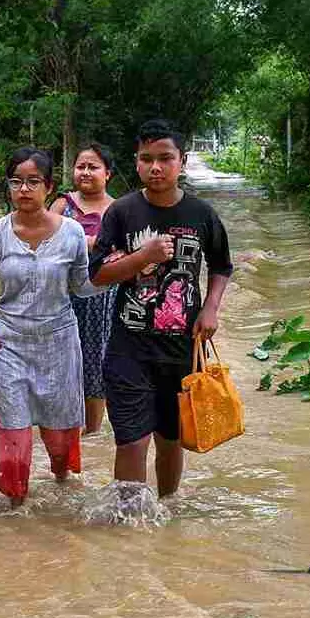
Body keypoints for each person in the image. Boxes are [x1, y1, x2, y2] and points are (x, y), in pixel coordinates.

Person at [0, 147, 100, 507]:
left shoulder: (73, 233)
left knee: (60, 442)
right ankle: (16, 514)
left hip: (60, 344)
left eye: (33, 181)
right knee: (13, 436)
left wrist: (125, 270)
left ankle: (62, 487)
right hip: (10, 346)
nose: (24, 189)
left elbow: (83, 286)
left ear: (49, 187)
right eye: (17, 181)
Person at [88, 120, 234, 498]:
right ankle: (131, 522)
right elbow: (99, 275)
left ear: (181, 162)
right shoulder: (121, 213)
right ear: (136, 164)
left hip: (182, 348)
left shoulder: (202, 215)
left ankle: (166, 509)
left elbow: (221, 266)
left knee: (170, 438)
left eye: (165, 158)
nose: (156, 167)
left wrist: (211, 308)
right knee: (131, 441)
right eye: (146, 159)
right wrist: (143, 257)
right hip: (128, 347)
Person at [49, 143, 116, 435]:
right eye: (81, 166)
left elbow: (124, 251)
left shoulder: (118, 209)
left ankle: (92, 435)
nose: (86, 172)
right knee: (59, 362)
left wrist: (82, 242)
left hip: (104, 299)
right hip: (62, 295)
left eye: (93, 167)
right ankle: (60, 431)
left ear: (108, 174)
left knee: (96, 362)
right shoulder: (62, 205)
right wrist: (93, 244)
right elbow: (46, 240)